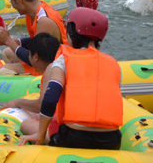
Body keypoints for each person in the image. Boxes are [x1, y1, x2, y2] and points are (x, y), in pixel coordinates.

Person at [18, 8, 123, 150]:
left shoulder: (63, 60)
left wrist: (40, 134)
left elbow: (50, 99)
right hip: (111, 140)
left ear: (72, 32)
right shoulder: (114, 64)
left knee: (26, 124)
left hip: (74, 138)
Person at [0, 0, 68, 75]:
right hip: (45, 58)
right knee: (7, 53)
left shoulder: (45, 21)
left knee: (4, 70)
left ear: (19, 0)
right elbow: (35, 39)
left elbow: (35, 60)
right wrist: (11, 41)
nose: (11, 5)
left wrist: (9, 41)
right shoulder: (34, 10)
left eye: (11, 0)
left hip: (57, 66)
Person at [0, 33, 62, 138]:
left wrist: (16, 102)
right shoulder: (65, 63)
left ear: (36, 57)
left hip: (66, 134)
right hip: (85, 127)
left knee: (26, 124)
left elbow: (40, 105)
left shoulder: (51, 70)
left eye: (29, 54)